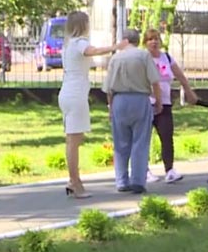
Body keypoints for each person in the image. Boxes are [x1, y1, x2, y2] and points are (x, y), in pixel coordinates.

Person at [57, 11, 124, 198]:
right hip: (76, 94)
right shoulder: (79, 43)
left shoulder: (68, 44)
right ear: (83, 25)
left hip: (68, 92)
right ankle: (75, 182)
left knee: (72, 140)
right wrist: (116, 47)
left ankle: (74, 180)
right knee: (74, 141)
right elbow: (92, 51)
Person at [103, 28, 161, 193]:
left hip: (119, 100)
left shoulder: (115, 58)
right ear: (137, 40)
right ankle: (138, 181)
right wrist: (157, 101)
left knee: (120, 143)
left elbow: (109, 88)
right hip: (140, 99)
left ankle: (121, 181)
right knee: (140, 142)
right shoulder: (143, 56)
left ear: (125, 40)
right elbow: (155, 81)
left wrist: (110, 107)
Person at [143, 28, 197, 183]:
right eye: (150, 39)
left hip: (165, 103)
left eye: (156, 39)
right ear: (145, 43)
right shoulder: (143, 58)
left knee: (166, 136)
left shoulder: (166, 57)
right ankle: (144, 170)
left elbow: (180, 76)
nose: (154, 42)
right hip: (147, 103)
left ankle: (170, 170)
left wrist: (188, 91)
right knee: (144, 138)